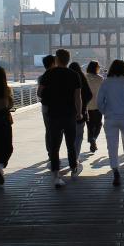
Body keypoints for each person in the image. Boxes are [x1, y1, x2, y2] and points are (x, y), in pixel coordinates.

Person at [39, 49, 83, 188]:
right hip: (69, 114)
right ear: (68, 59)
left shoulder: (48, 73)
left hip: (53, 114)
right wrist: (79, 112)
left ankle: (56, 174)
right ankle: (73, 168)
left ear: (57, 60)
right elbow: (78, 97)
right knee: (70, 143)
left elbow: (40, 92)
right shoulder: (74, 75)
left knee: (54, 145)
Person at [97, 59, 124, 186]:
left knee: (112, 145)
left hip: (110, 118)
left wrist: (106, 112)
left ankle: (115, 171)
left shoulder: (105, 83)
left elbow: (99, 103)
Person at [69, 61, 93, 157]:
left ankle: (71, 155)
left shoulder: (67, 79)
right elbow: (89, 95)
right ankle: (76, 156)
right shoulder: (83, 78)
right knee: (79, 136)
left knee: (70, 136)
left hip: (68, 112)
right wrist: (84, 105)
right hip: (81, 111)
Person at [37, 54, 55, 153]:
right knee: (56, 130)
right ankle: (54, 150)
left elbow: (39, 93)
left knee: (48, 129)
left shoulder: (41, 77)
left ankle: (50, 151)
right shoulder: (57, 76)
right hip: (56, 107)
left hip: (45, 107)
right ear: (53, 63)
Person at [85, 60, 104, 153]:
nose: (99, 68)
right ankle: (93, 139)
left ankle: (92, 140)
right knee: (98, 124)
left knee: (89, 125)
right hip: (98, 106)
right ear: (96, 68)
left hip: (87, 106)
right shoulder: (100, 79)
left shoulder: (84, 77)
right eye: (98, 66)